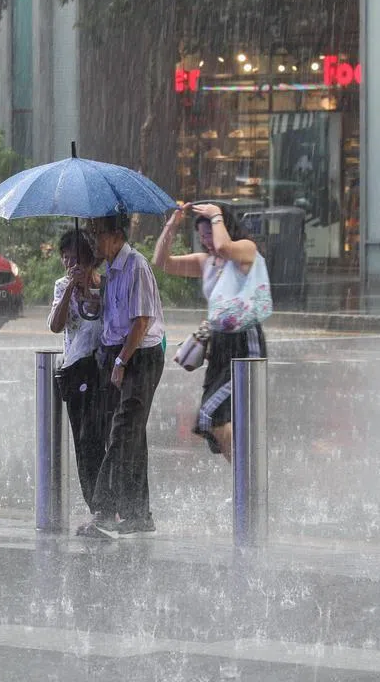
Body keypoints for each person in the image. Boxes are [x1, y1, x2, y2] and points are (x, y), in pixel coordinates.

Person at [152, 202, 267, 462]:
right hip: (220, 343)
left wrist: (215, 213)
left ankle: (250, 475)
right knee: (216, 420)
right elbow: (162, 261)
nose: (207, 241)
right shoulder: (207, 262)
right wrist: (172, 225)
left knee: (211, 415)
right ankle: (246, 476)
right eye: (202, 236)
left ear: (224, 226)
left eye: (210, 234)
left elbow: (225, 247)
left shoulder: (246, 250)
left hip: (244, 340)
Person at [83, 213, 166, 539]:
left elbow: (142, 321)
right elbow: (109, 316)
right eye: (91, 233)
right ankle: (138, 514)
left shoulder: (136, 266)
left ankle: (105, 510)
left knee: (121, 433)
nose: (93, 240)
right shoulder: (110, 271)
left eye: (98, 233)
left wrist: (121, 361)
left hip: (139, 356)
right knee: (132, 437)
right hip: (117, 354)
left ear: (117, 235)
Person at [47, 229, 104, 527]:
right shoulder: (62, 286)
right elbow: (56, 325)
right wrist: (71, 287)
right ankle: (98, 505)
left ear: (90, 260)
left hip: (104, 366)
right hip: (76, 368)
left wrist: (90, 292)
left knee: (103, 437)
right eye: (66, 258)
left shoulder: (104, 284)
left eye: (76, 259)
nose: (70, 264)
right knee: (84, 440)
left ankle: (112, 504)